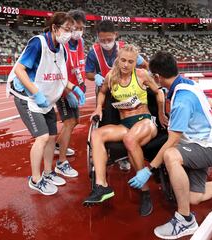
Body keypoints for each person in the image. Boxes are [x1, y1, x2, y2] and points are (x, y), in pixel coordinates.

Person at [128, 51, 212, 238]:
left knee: (170, 154)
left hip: (207, 147)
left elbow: (173, 140)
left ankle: (185, 219)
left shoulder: (182, 100)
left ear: (157, 77)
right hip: (202, 141)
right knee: (192, 197)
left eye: (153, 75)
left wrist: (149, 169)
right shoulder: (185, 83)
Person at [6, 12, 86, 196]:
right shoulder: (38, 43)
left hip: (46, 98)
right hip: (28, 97)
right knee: (42, 137)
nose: (70, 33)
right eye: (67, 29)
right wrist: (36, 93)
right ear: (54, 28)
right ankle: (35, 180)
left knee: (51, 137)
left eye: (72, 30)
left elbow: (60, 76)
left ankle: (49, 172)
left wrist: (74, 88)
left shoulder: (62, 48)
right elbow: (19, 69)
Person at [83, 45, 168, 216]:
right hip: (124, 124)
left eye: (130, 61)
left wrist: (161, 114)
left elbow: (159, 93)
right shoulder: (111, 76)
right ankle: (102, 186)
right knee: (96, 134)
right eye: (123, 60)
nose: (126, 65)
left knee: (130, 140)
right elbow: (102, 92)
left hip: (145, 122)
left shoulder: (142, 75)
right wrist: (99, 108)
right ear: (117, 59)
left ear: (135, 61)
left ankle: (145, 192)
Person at [85, 20, 149, 171]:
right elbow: (88, 73)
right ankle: (113, 153)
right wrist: (95, 77)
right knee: (108, 120)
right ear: (97, 38)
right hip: (106, 90)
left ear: (116, 35)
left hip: (128, 90)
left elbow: (144, 65)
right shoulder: (93, 52)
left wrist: (141, 73)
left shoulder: (125, 50)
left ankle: (125, 155)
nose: (106, 43)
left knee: (128, 117)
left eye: (109, 39)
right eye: (102, 40)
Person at [54, 10, 87, 178]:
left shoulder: (79, 42)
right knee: (69, 122)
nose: (78, 31)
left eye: (81, 28)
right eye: (75, 27)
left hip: (73, 86)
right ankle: (61, 163)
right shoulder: (62, 43)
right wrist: (67, 92)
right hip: (61, 88)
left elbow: (79, 66)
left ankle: (58, 146)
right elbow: (58, 72)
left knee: (75, 122)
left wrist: (81, 85)